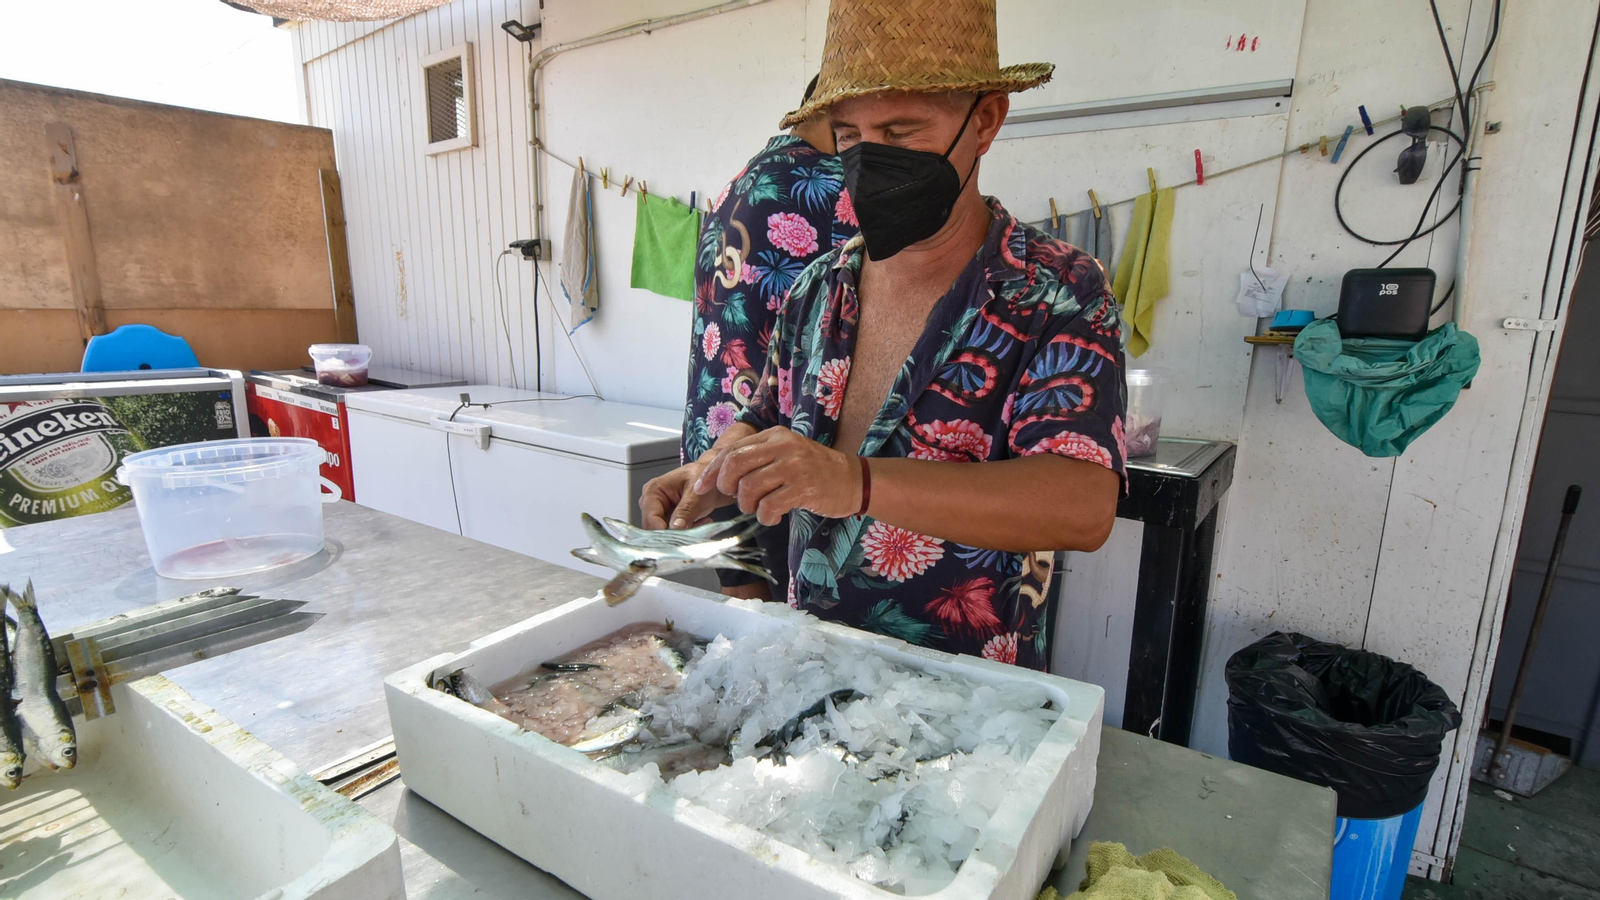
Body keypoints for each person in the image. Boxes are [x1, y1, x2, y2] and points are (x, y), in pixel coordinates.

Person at [644, 0, 1125, 671]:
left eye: (901, 132)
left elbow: (1082, 506)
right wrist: (716, 471)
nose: (870, 160)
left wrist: (855, 481)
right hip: (807, 671)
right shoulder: (818, 290)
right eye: (849, 136)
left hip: (971, 699)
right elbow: (763, 415)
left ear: (985, 120)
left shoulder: (1059, 293)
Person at [680, 74, 856, 601]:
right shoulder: (835, 187)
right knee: (786, 630)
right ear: (842, 114)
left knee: (744, 616)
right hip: (774, 453)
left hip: (710, 440)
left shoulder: (739, 181)